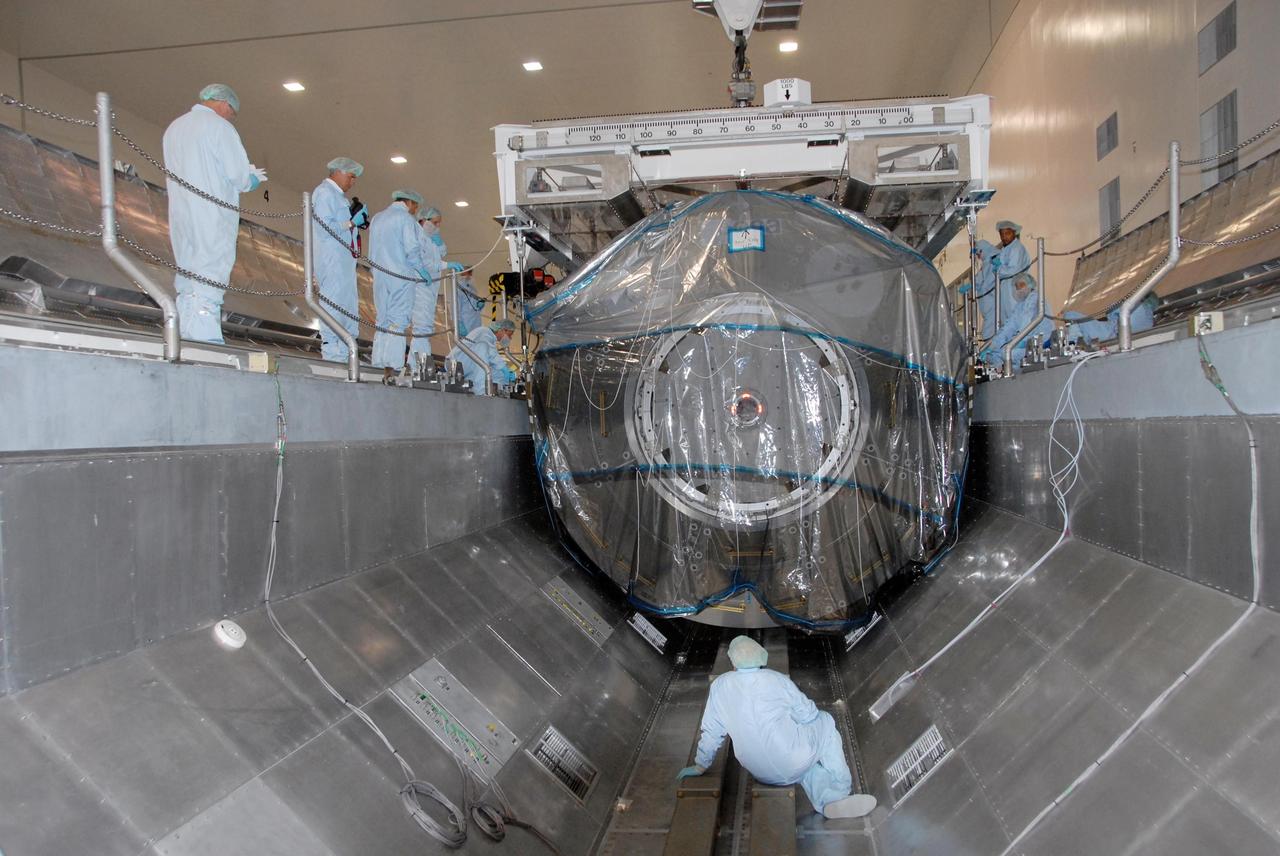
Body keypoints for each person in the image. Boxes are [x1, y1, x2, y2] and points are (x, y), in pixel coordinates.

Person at [676, 636, 877, 820]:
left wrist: (700, 765)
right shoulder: (776, 679)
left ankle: (826, 802)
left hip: (759, 771)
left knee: (803, 769)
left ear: (733, 661)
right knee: (826, 723)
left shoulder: (719, 686)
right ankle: (841, 791)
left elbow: (711, 732)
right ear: (761, 657)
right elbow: (808, 714)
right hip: (793, 759)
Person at [162, 83, 267, 343]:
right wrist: (252, 177)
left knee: (187, 269)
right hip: (212, 212)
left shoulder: (174, 128)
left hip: (182, 210)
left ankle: (185, 331)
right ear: (224, 104)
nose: (231, 117)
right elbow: (238, 176)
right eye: (232, 112)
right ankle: (204, 336)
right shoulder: (220, 127)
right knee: (211, 268)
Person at [368, 189, 443, 375]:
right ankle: (392, 365)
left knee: (382, 319)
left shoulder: (378, 218)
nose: (415, 209)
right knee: (398, 321)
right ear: (410, 203)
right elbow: (412, 250)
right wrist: (421, 270)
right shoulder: (405, 220)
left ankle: (378, 362)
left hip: (380, 275)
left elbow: (372, 250)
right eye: (415, 206)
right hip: (401, 276)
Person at [312, 157, 365, 362]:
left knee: (347, 310)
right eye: (351, 177)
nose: (353, 182)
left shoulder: (339, 197)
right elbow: (324, 229)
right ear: (339, 172)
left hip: (344, 266)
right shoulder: (324, 193)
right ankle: (333, 355)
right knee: (333, 309)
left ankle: (346, 354)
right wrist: (351, 223)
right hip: (332, 264)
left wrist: (353, 223)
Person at [967, 220, 1031, 340]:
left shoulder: (1017, 248)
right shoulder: (1005, 250)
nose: (1004, 237)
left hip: (1014, 290)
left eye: (1007, 233)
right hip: (1005, 292)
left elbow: (1013, 270)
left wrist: (998, 269)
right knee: (1006, 323)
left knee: (1015, 320)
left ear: (1014, 233)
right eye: (1002, 234)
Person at [980, 273, 1054, 371]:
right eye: (1017, 286)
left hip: (1041, 344)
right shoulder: (1020, 306)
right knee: (992, 355)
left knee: (1006, 353)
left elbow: (1026, 327)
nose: (1019, 289)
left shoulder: (1036, 299)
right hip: (1024, 341)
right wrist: (992, 345)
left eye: (1022, 285)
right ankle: (1003, 371)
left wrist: (1016, 342)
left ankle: (1010, 372)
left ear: (1030, 284)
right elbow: (1008, 328)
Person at [449, 318, 518, 395]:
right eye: (509, 335)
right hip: (456, 363)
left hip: (469, 364)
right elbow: (492, 354)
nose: (510, 338)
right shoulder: (485, 332)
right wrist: (504, 368)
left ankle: (501, 393)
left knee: (499, 374)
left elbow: (491, 357)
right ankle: (481, 392)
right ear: (502, 330)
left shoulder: (491, 339)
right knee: (483, 347)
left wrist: (504, 373)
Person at [1064, 294, 1157, 348]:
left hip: (1111, 335)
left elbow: (1111, 310)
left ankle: (1073, 344)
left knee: (1071, 314)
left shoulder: (1133, 305)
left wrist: (1111, 319)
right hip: (1120, 338)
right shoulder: (1149, 322)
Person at [454, 269, 486, 337]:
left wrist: (479, 304)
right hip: (465, 324)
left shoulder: (472, 288)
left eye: (471, 272)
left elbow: (472, 305)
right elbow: (455, 307)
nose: (471, 274)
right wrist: (459, 324)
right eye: (468, 271)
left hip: (475, 322)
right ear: (461, 272)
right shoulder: (457, 288)